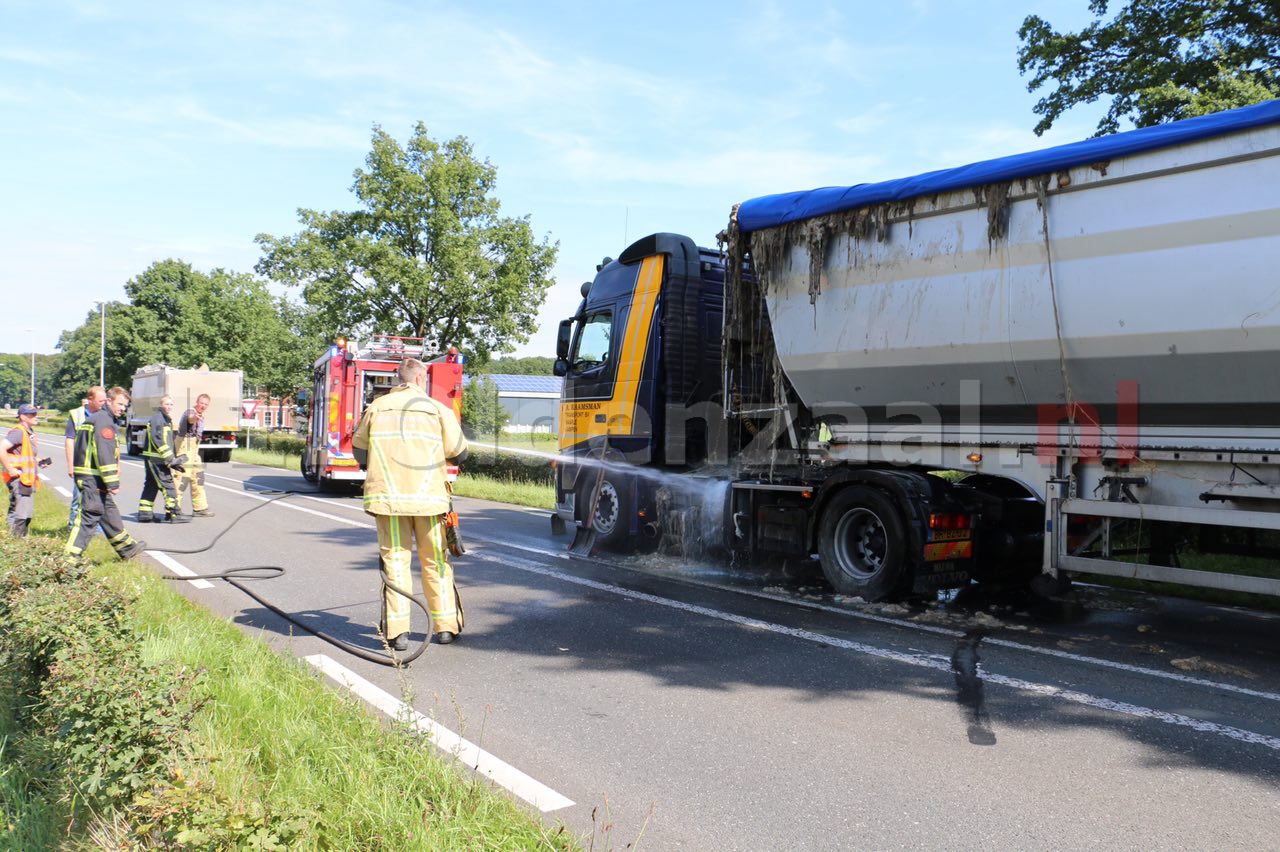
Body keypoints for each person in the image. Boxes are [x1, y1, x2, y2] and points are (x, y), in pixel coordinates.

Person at [353, 357, 469, 649]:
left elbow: (360, 452)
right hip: (429, 501)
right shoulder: (436, 409)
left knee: (396, 564)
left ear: (398, 379)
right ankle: (445, 627)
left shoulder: (375, 408)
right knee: (436, 562)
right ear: (420, 379)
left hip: (388, 502)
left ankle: (397, 633)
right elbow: (459, 453)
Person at [65, 386, 145, 562]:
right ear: (108, 401)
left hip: (92, 478)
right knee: (89, 516)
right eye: (120, 404)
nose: (123, 409)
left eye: (125, 406)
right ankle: (70, 557)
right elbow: (104, 454)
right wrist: (113, 483)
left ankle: (127, 548)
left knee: (109, 512)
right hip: (93, 479)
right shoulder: (104, 422)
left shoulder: (97, 419)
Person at [138, 395, 189, 523]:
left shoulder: (165, 419)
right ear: (161, 405)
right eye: (167, 404)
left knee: (151, 484)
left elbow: (167, 442)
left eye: (171, 404)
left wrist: (173, 459)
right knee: (168, 485)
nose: (169, 407)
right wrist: (170, 459)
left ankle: (145, 514)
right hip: (156, 459)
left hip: (157, 458)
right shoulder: (157, 419)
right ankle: (174, 513)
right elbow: (158, 439)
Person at [2, 403, 50, 537]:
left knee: (18, 509)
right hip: (19, 478)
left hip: (25, 478)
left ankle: (11, 540)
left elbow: (25, 454)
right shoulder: (18, 432)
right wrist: (11, 469)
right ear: (23, 417)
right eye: (32, 414)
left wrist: (38, 460)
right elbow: (1, 449)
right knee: (23, 513)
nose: (36, 416)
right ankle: (18, 541)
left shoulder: (28, 432)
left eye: (36, 413)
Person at [65, 387, 107, 532]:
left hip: (99, 465)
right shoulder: (76, 415)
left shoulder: (106, 414)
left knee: (99, 499)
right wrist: (70, 465)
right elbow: (69, 440)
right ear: (90, 399)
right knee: (79, 498)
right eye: (101, 400)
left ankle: (96, 531)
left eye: (105, 400)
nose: (104, 403)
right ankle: (73, 529)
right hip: (81, 465)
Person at [174, 393, 214, 517]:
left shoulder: (202, 415)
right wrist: (194, 418)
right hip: (184, 448)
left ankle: (200, 508)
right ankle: (173, 508)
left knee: (198, 478)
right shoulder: (190, 412)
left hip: (194, 449)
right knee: (181, 479)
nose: (203, 406)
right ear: (197, 402)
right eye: (201, 403)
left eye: (205, 404)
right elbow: (190, 418)